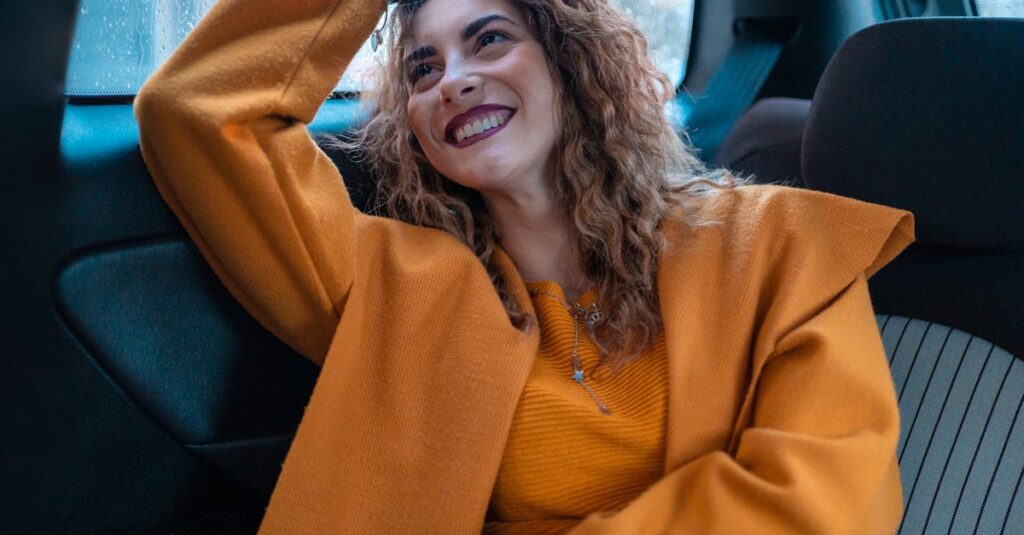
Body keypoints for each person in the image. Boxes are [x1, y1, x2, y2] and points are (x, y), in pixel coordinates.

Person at [134, 0, 915, 532]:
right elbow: (198, 111)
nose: (454, 80)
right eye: (421, 69)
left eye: (489, 38)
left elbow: (822, 504)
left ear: (571, 61)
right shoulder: (393, 287)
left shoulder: (778, 245)